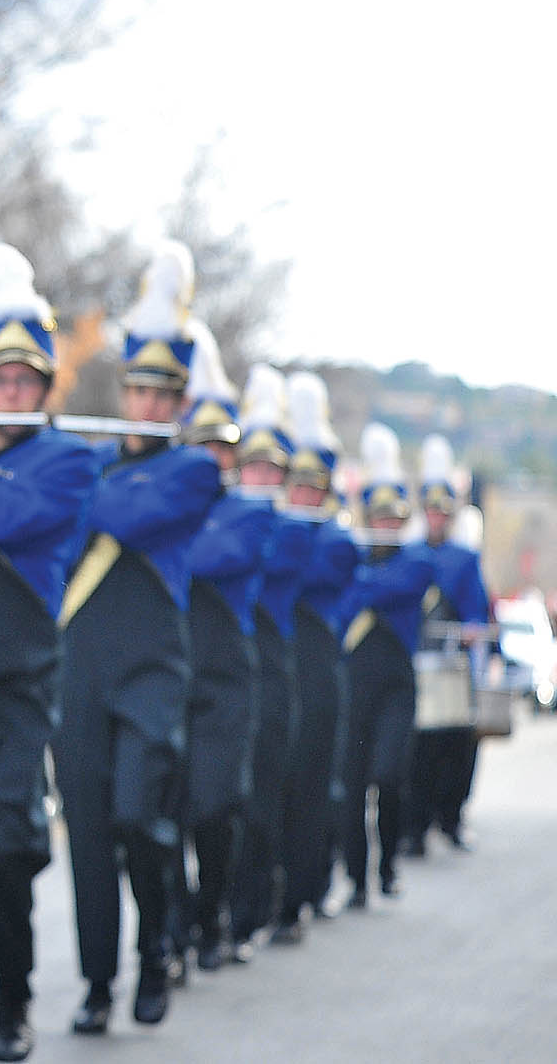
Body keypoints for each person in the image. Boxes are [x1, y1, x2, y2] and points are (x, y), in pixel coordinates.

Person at [55, 241, 220, 1034]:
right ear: (123, 392)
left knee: (135, 817)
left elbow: (124, 514)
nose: (150, 407)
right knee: (87, 834)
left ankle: (158, 944)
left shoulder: (194, 472)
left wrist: (74, 480)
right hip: (80, 667)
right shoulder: (88, 461)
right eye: (140, 391)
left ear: (181, 403)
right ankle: (97, 982)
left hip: (153, 667)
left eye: (165, 396)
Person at [0, 242, 94, 1064]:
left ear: (42, 389)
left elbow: (10, 517)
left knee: (2, 849)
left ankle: (15, 1000)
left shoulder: (67, 459)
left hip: (20, 680)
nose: (8, 394)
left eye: (23, 382)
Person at [173, 327, 269, 975]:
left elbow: (209, 556)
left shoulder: (251, 512)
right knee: (158, 812)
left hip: (226, 677)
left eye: (222, 446)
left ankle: (213, 915)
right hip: (172, 666)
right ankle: (174, 930)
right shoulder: (166, 505)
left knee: (213, 805)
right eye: (201, 444)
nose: (211, 456)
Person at [225, 365, 307, 962]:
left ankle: (257, 904)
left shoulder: (291, 527)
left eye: (270, 469)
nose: (258, 476)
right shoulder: (231, 515)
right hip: (223, 657)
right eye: (250, 465)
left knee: (264, 795)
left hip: (272, 659)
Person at [336, 424, 437, 908]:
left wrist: (360, 578)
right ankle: (357, 880)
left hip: (396, 684)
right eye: (378, 518)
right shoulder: (352, 560)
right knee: (352, 785)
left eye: (393, 519)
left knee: (388, 776)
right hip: (354, 683)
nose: (385, 527)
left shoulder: (415, 561)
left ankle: (388, 865)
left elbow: (387, 588)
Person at [272, 372, 357, 941]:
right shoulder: (277, 527)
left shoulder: (337, 540)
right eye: (294, 483)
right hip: (278, 662)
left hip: (318, 665)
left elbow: (296, 572)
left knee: (311, 785)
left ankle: (301, 894)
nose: (303, 494)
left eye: (313, 484)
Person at [403, 436, 491, 854]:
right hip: (417, 660)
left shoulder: (464, 557)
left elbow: (476, 607)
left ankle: (451, 818)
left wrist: (473, 630)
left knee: (458, 745)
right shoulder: (410, 552)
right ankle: (415, 826)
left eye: (443, 511)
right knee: (418, 750)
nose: (436, 517)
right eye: (431, 510)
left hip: (451, 661)